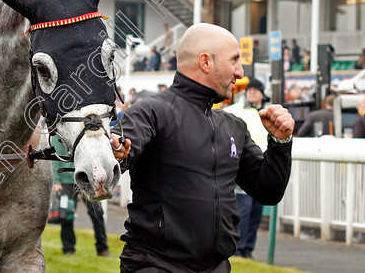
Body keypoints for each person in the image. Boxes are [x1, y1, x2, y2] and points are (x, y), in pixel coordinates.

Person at [108, 23, 294, 272]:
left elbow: (269, 191)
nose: (240, 72)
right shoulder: (153, 111)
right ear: (206, 62)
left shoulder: (233, 126)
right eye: (234, 60)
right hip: (155, 265)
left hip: (217, 267)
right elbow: (119, 150)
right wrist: (117, 153)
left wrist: (280, 142)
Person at [224, 77, 268, 259]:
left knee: (256, 212)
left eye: (255, 90)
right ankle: (238, 249)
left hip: (262, 167)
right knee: (244, 210)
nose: (252, 92)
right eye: (250, 90)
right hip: (242, 168)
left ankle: (247, 249)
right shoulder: (234, 111)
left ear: (262, 93)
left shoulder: (268, 111)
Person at [51, 135, 109, 257]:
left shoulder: (85, 128)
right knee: (66, 216)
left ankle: (102, 248)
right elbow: (55, 157)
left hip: (87, 180)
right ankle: (68, 249)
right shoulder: (57, 134)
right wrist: (56, 181)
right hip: (66, 181)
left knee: (97, 213)